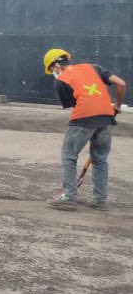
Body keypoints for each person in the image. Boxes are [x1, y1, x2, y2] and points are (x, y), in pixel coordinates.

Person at [44, 49, 126, 211]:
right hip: (106, 117)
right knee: (100, 159)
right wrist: (117, 105)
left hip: (83, 118)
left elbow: (77, 105)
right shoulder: (93, 67)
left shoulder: (61, 81)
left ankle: (69, 196)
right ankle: (100, 201)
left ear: (56, 65)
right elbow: (121, 83)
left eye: (52, 69)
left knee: (69, 155)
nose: (53, 73)